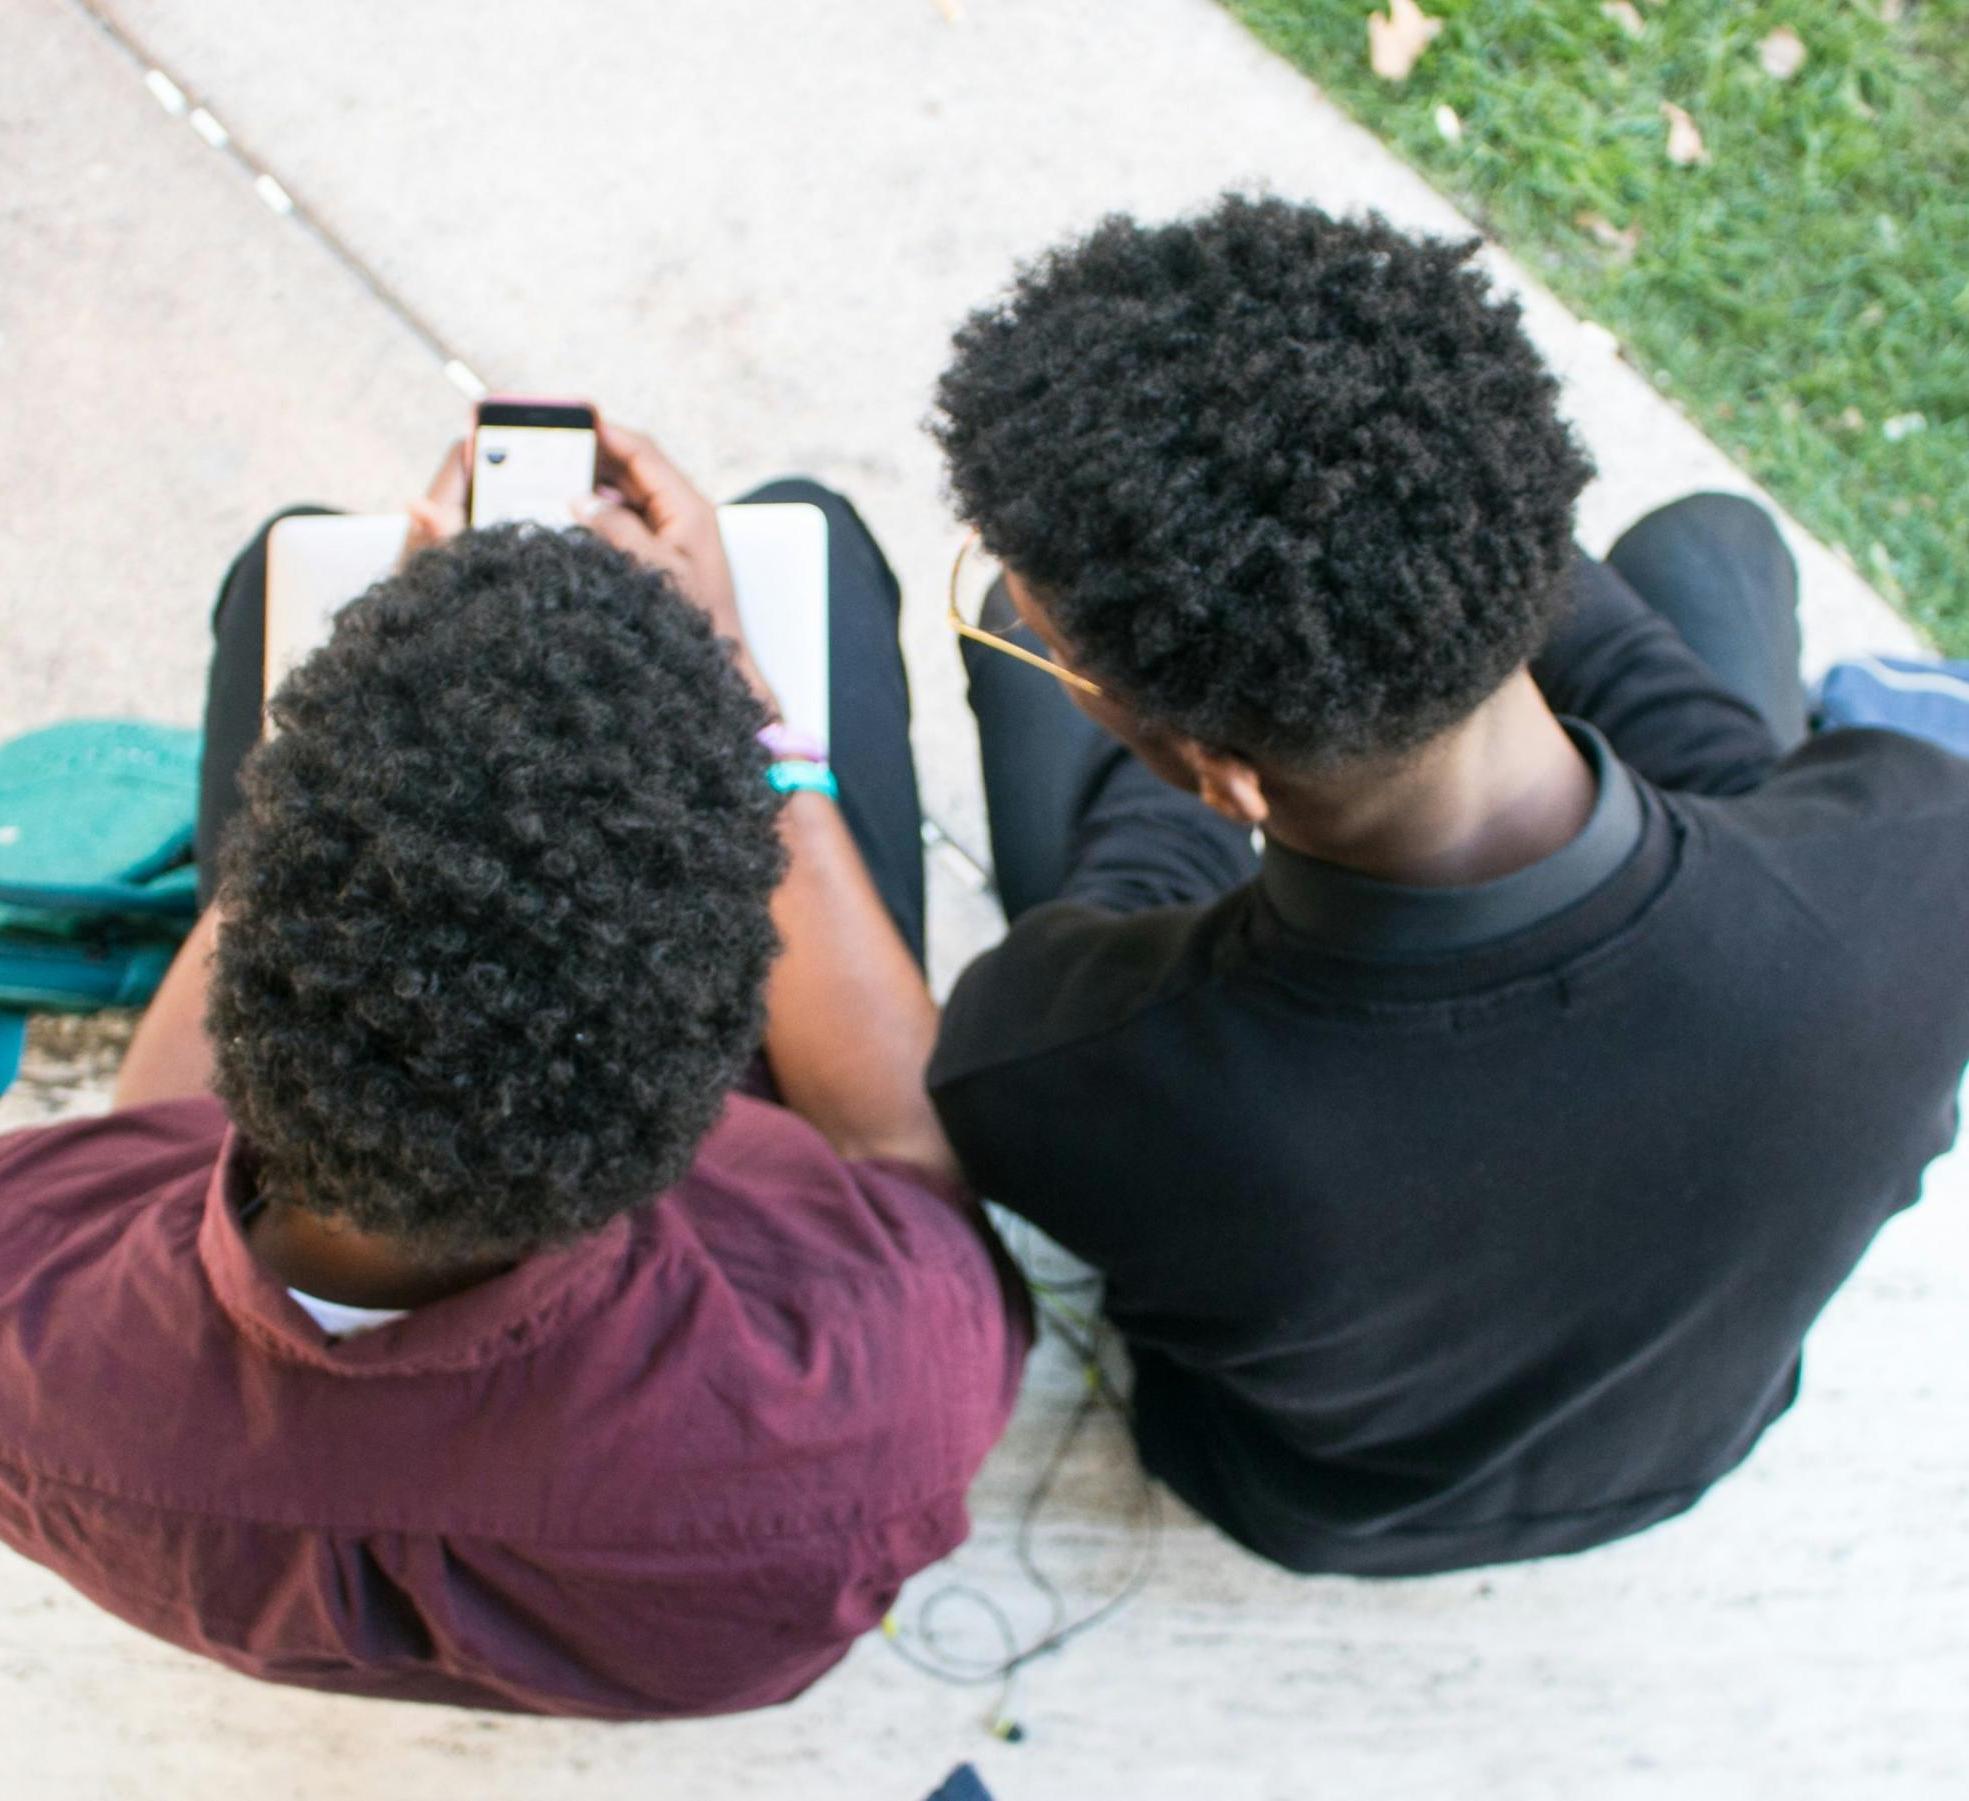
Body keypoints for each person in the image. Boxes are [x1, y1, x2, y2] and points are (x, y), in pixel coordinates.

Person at [925, 195, 1969, 1577]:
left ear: (1220, 775)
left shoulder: (1070, 1062)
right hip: (1681, 1438)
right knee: (1711, 545)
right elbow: (1733, 787)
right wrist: (1433, 568)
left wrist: (1162, 746)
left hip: (1320, 1496)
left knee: (1020, 656)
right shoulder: (1913, 857)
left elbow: (1125, 901)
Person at [0, 422, 1030, 1717]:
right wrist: (750, 717)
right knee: (810, 528)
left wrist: (349, 735)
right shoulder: (866, 1407)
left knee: (278, 565)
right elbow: (907, 1159)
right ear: (713, 1093)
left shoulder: (26, 1293)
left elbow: (158, 1122)